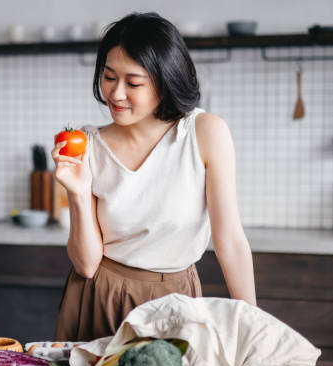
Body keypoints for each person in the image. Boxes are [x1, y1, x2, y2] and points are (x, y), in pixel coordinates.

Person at [51, 12, 256, 342]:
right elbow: (87, 265)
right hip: (99, 297)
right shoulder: (86, 144)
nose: (116, 94)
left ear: (165, 81)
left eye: (133, 83)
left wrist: (255, 332)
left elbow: (229, 241)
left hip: (176, 299)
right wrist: (77, 192)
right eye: (108, 77)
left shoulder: (204, 133)